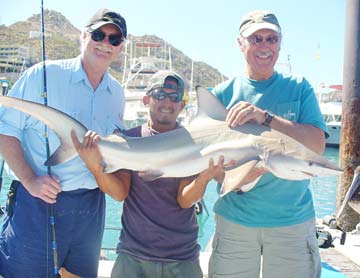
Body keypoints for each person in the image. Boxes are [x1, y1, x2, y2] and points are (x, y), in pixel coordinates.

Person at [0, 8, 127, 278]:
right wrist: (30, 180)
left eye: (114, 40)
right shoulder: (42, 75)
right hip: (39, 202)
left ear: (120, 48)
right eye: (99, 34)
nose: (105, 43)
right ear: (83, 35)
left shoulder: (117, 93)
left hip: (91, 207)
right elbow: (5, 130)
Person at [208, 10, 328, 278]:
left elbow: (317, 146)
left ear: (280, 43)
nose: (264, 46)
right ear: (241, 43)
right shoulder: (221, 95)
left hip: (293, 224)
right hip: (235, 221)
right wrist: (249, 173)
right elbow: (211, 170)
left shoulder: (299, 88)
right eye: (256, 39)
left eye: (271, 39)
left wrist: (266, 118)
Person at [72, 70, 226, 278]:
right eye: (160, 95)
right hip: (133, 256)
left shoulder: (192, 143)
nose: (167, 102)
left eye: (175, 97)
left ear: (182, 105)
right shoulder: (128, 140)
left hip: (181, 257)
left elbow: (185, 200)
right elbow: (119, 194)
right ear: (146, 100)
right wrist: (94, 166)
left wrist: (205, 176)